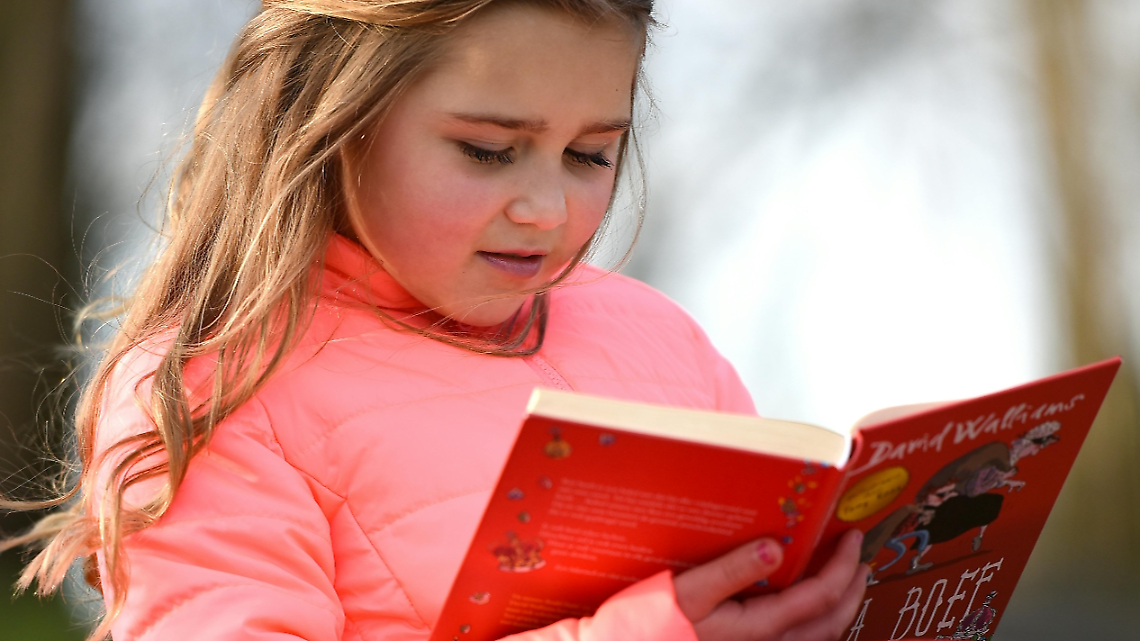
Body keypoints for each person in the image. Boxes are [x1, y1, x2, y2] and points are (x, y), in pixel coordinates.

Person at [3, 1, 869, 639]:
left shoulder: (659, 337)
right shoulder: (224, 387)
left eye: (589, 155)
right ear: (335, 119)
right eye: (488, 151)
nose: (544, 207)